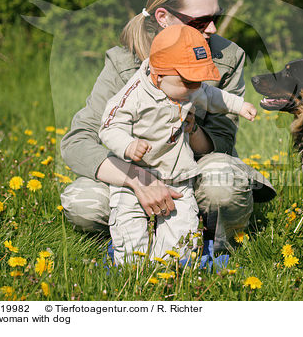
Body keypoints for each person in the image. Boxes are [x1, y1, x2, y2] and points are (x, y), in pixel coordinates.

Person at [60, 0, 276, 253]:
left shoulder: (227, 56)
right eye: (200, 22)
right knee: (81, 203)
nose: (212, 29)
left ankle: (210, 239)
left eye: (215, 18)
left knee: (225, 186)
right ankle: (129, 234)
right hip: (134, 173)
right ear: (163, 17)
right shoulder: (124, 62)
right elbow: (77, 142)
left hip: (192, 170)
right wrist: (138, 180)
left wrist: (192, 129)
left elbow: (222, 142)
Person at [99, 25, 257, 264]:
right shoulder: (133, 95)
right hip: (134, 177)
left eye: (198, 81)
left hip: (178, 175)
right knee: (129, 228)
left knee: (183, 231)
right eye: (188, 82)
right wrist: (128, 145)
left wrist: (239, 106)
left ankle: (170, 269)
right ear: (158, 74)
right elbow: (109, 126)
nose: (195, 88)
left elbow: (213, 97)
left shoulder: (188, 89)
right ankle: (132, 270)